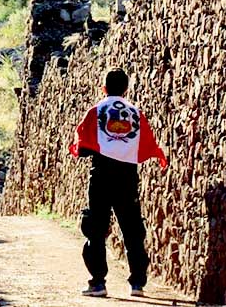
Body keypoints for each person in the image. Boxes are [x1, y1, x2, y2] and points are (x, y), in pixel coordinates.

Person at [69, 67, 167, 298]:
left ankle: (98, 282)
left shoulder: (96, 111)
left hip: (102, 174)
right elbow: (146, 144)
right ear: (126, 89)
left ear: (103, 88)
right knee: (132, 228)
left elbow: (82, 144)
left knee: (96, 227)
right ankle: (137, 284)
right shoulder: (135, 113)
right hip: (127, 176)